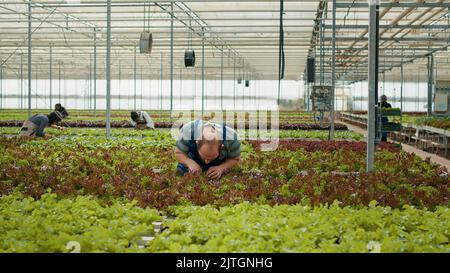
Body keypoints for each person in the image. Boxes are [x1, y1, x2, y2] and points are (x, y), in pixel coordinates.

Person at [175, 120, 241, 180]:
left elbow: (235, 159)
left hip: (220, 162)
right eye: (204, 156)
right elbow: (179, 152)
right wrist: (189, 162)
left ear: (221, 146)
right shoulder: (187, 131)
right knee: (180, 176)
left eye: (211, 157)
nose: (207, 162)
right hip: (193, 158)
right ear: (196, 142)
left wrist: (221, 168)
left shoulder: (232, 138)